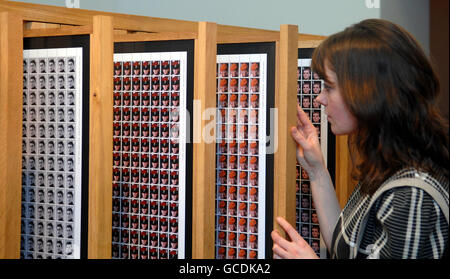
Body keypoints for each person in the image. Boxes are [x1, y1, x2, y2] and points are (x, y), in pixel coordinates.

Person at [271, 19, 449, 259]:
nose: (319, 99)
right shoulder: (389, 166)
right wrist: (317, 171)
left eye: (329, 87)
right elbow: (347, 247)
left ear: (368, 93)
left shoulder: (411, 195)